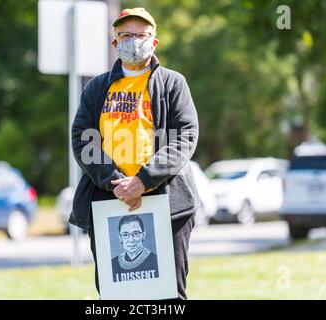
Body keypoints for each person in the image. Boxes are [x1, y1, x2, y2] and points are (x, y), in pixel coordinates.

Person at [70, 7, 200, 300]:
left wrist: (143, 180)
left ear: (154, 42)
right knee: (117, 295)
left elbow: (184, 137)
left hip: (167, 202)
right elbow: (83, 139)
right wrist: (116, 183)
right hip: (109, 200)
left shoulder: (172, 83)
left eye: (140, 35)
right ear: (114, 42)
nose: (133, 41)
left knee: (168, 294)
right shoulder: (96, 88)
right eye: (125, 35)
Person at [112, 215, 158, 283]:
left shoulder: (156, 260)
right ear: (120, 238)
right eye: (125, 234)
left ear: (143, 235)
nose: (131, 240)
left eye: (136, 233)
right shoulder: (113, 264)